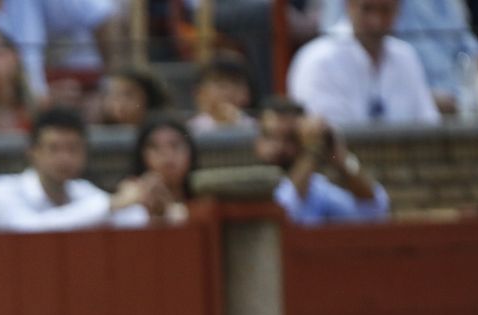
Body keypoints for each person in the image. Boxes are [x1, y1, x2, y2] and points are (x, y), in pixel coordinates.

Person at [287, 0, 441, 124]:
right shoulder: (318, 60)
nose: (376, 22)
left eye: (386, 10)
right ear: (349, 5)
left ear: (398, 9)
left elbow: (428, 125)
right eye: (367, 9)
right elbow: (329, 142)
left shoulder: (406, 56)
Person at [314, 0, 478, 110]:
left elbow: (468, 49)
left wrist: (462, 102)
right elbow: (336, 46)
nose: (376, 21)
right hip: (375, 110)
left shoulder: (404, 55)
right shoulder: (325, 56)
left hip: (449, 109)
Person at [255, 97, 390, 223]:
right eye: (270, 137)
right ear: (257, 142)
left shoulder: (316, 190)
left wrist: (340, 160)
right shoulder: (242, 184)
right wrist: (313, 150)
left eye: (289, 138)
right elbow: (283, 207)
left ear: (301, 143)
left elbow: (375, 211)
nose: (279, 147)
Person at [0, 106, 111, 231]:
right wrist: (108, 205)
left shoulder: (84, 190)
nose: (64, 158)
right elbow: (29, 231)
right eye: (54, 148)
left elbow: (122, 212)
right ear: (32, 152)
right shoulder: (1, 189)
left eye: (73, 149)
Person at [112, 118, 196, 226]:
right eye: (155, 147)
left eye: (175, 145)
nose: (167, 154)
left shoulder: (207, 195)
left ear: (191, 152)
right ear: (141, 155)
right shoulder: (129, 194)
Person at [188, 53, 257, 131]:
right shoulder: (191, 129)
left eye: (236, 83)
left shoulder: (256, 128)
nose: (229, 92)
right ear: (199, 92)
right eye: (221, 85)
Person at [98, 66, 170, 126]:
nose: (119, 102)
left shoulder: (165, 131)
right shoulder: (93, 133)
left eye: (127, 95)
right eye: (112, 94)